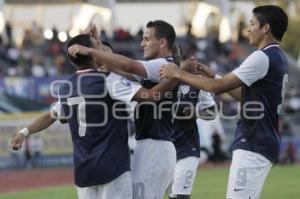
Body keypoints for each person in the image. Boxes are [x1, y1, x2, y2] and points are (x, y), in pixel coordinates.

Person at [160, 5, 288, 199]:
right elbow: (243, 95)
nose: (247, 29)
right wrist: (214, 75)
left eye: (252, 23)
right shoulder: (278, 57)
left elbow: (216, 87)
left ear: (265, 28)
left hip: (254, 141)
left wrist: (178, 73)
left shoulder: (262, 57)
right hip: (261, 139)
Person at [11, 34, 136, 199]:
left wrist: (23, 132)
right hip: (113, 166)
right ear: (92, 55)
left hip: (84, 168)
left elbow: (51, 116)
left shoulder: (66, 87)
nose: (102, 53)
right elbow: (148, 92)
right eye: (99, 49)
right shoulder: (110, 81)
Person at [68, 20, 179, 199]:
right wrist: (98, 42)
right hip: (151, 145)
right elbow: (112, 65)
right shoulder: (156, 68)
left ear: (163, 42)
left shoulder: (161, 65)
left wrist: (91, 49)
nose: (142, 44)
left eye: (146, 39)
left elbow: (127, 65)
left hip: (155, 147)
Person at [168, 44, 216, 199]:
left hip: (187, 147)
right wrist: (181, 71)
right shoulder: (156, 76)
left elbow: (212, 112)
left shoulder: (197, 82)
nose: (173, 55)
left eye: (176, 52)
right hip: (161, 148)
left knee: (180, 196)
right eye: (171, 52)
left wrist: (196, 113)